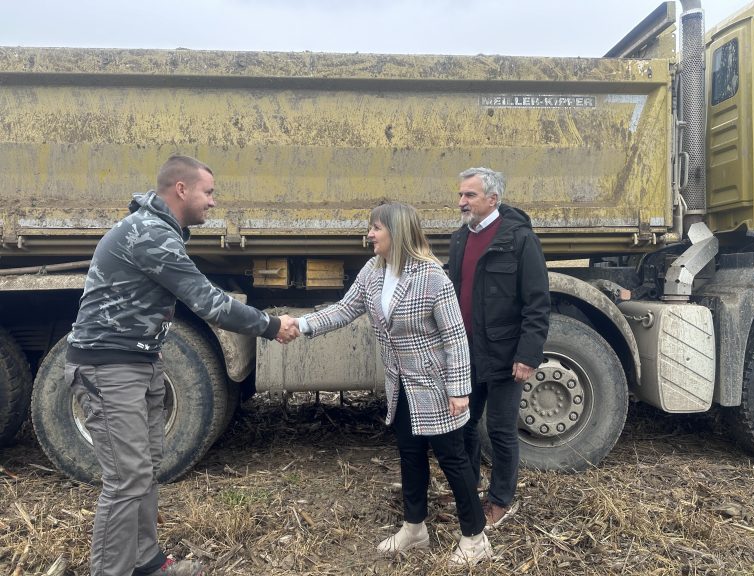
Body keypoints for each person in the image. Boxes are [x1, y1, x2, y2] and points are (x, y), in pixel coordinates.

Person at [65, 155, 300, 576]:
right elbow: (208, 302)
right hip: (110, 365)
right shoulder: (150, 234)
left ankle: (147, 563)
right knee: (126, 479)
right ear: (181, 189)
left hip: (139, 362)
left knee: (145, 470)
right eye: (208, 192)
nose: (213, 202)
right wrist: (271, 325)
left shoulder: (159, 230)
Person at [294, 202, 492, 565]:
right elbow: (343, 309)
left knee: (453, 460)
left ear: (397, 233)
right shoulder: (373, 270)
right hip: (400, 385)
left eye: (376, 228)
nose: (369, 234)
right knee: (410, 456)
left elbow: (455, 337)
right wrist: (302, 325)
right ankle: (415, 528)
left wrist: (460, 389)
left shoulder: (432, 276)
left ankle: (475, 536)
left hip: (436, 387)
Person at [448, 167, 550, 530]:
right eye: (461, 194)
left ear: (492, 199)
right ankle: (469, 486)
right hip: (466, 351)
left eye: (469, 195)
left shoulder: (519, 239)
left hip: (506, 355)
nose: (461, 202)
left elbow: (537, 303)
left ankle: (500, 499)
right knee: (464, 423)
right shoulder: (460, 238)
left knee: (502, 430)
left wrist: (527, 355)